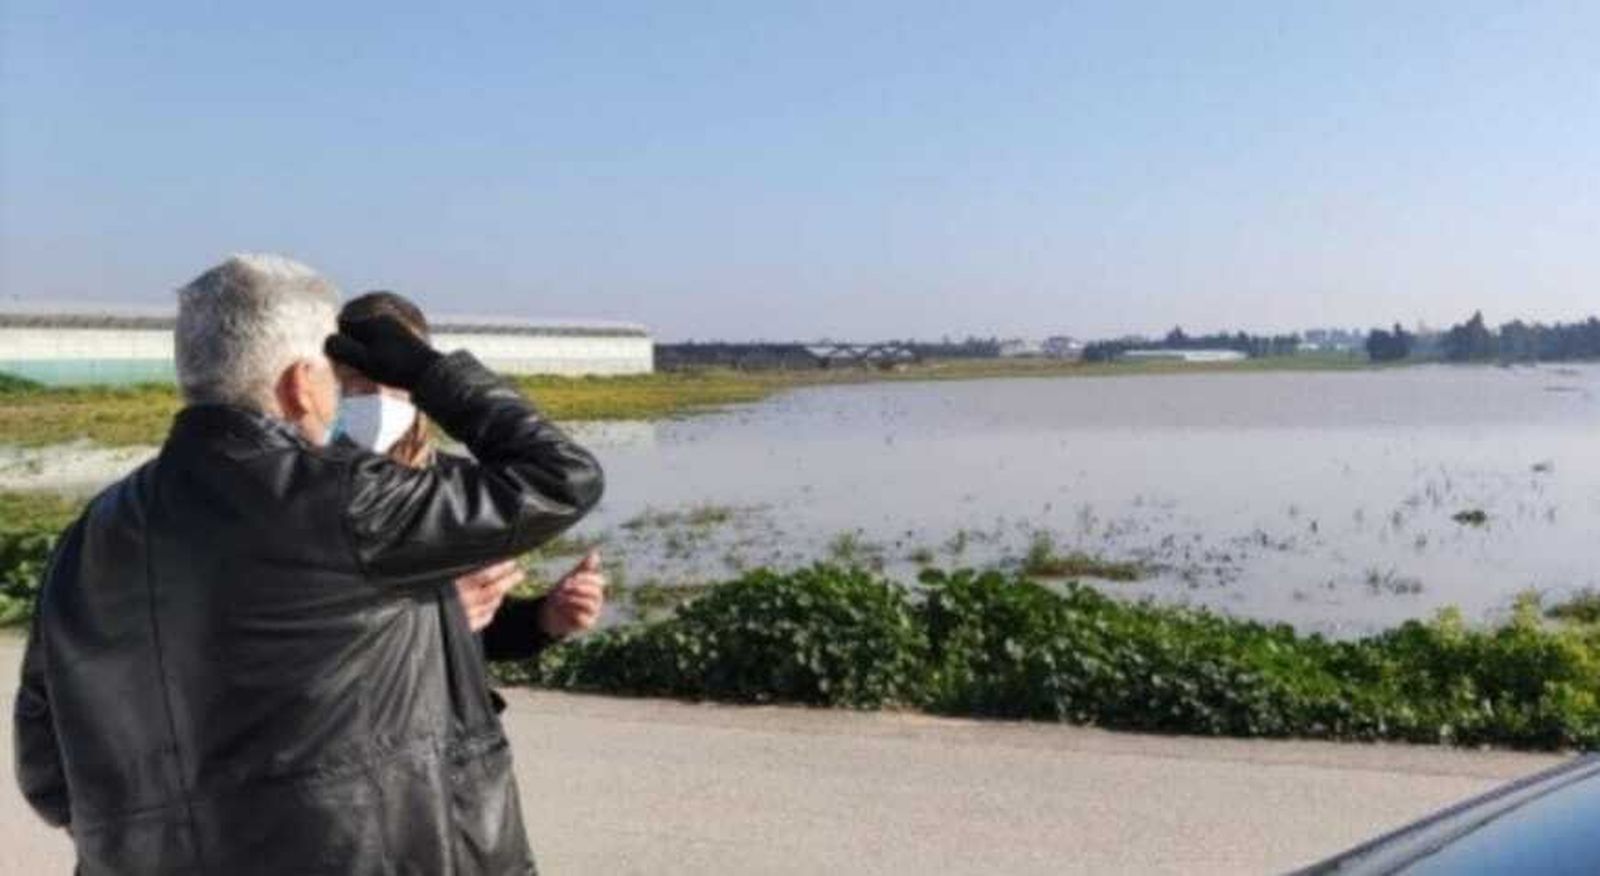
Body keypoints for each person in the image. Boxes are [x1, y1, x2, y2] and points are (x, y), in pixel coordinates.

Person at [14, 254, 603, 875]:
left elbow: (44, 762)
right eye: (338, 378)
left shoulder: (92, 531)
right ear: (301, 383)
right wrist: (429, 372)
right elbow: (561, 476)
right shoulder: (349, 499)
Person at [333, 290, 606, 680]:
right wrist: (436, 619)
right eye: (357, 380)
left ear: (417, 380)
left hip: (441, 709)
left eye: (393, 380)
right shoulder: (298, 486)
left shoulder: (453, 485)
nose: (377, 397)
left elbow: (478, 628)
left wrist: (545, 618)